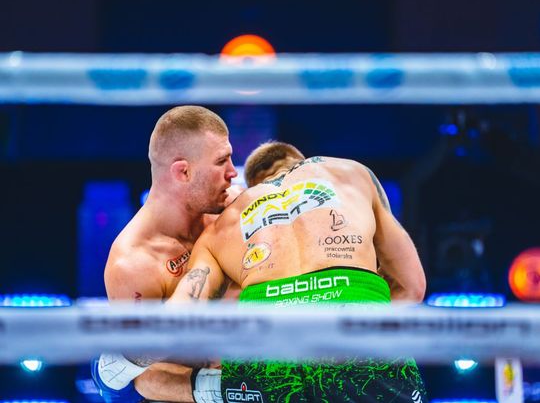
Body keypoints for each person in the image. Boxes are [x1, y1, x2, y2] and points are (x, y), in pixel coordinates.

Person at [167, 141, 428, 402]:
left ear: (253, 183)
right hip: (357, 331)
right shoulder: (352, 173)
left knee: (156, 381)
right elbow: (411, 286)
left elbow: (179, 316)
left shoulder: (221, 225)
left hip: (265, 351)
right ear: (298, 159)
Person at [91, 105, 240, 403]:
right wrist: (227, 391)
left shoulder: (230, 211)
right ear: (183, 171)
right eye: (221, 161)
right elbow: (141, 375)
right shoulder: (134, 263)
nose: (233, 172)